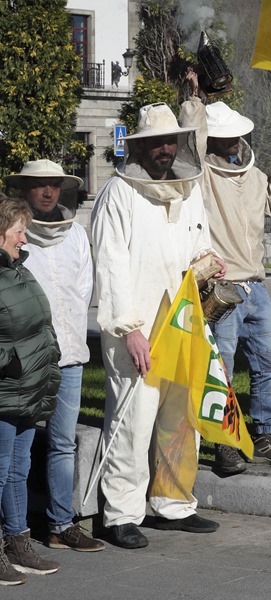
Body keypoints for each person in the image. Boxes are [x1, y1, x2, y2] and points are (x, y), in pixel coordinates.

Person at [91, 102, 226, 549]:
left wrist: (210, 267)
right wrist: (128, 328)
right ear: (141, 146)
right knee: (133, 418)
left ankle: (172, 505)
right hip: (138, 330)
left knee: (178, 420)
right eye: (156, 142)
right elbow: (109, 266)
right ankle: (120, 514)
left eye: (171, 141)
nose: (165, 149)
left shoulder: (190, 191)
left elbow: (197, 247)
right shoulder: (119, 194)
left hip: (182, 324)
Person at [180, 69, 271, 475]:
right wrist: (194, 102)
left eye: (235, 138)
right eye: (224, 138)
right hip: (221, 286)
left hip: (255, 287)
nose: (232, 144)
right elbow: (190, 146)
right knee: (221, 367)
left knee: (267, 365)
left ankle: (265, 435)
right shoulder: (202, 173)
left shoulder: (254, 173)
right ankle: (224, 442)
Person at [4, 161, 104, 552]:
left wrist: (71, 342)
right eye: (38, 185)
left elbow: (84, 291)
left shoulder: (76, 234)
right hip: (26, 361)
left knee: (63, 442)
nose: (47, 192)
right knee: (20, 447)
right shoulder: (17, 236)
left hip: (70, 355)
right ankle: (16, 532)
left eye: (53, 185)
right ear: (24, 190)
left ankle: (61, 525)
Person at [0, 194, 61, 585]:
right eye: (19, 231)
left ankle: (17, 541)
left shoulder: (18, 268)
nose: (24, 239)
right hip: (6, 391)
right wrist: (17, 357)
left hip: (27, 389)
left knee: (18, 470)